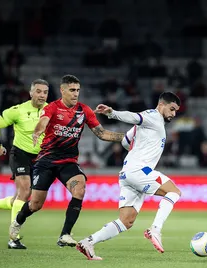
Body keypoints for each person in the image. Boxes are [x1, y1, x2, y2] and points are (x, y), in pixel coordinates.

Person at [9, 75, 125, 248]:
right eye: (72, 90)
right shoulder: (52, 108)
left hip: (68, 162)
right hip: (46, 160)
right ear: (62, 90)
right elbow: (43, 121)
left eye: (78, 90)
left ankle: (65, 234)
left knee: (80, 189)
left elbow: (102, 133)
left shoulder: (84, 110)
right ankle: (17, 222)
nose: (75, 93)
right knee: (35, 204)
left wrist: (126, 137)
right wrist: (37, 132)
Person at [76, 91, 182, 260]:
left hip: (127, 174)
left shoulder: (146, 126)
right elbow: (134, 117)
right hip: (140, 170)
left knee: (126, 221)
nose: (173, 114)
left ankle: (88, 242)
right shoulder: (153, 116)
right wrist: (112, 113)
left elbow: (126, 141)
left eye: (175, 111)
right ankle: (155, 229)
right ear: (161, 105)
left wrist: (139, 146)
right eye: (172, 109)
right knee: (174, 192)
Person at [0, 79, 49, 249]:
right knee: (24, 191)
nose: (42, 95)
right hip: (20, 154)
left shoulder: (51, 110)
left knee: (26, 199)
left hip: (40, 157)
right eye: (38, 91)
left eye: (45, 92)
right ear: (31, 93)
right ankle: (14, 238)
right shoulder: (18, 110)